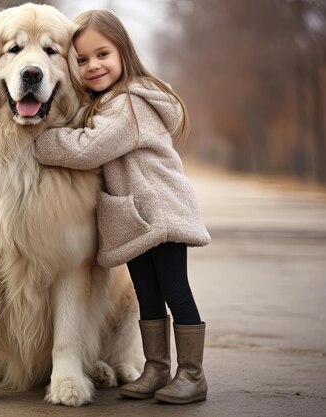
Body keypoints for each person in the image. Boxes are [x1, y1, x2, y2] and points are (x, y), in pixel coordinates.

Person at [34, 9, 211, 405]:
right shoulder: (105, 104)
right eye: (81, 60)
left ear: (124, 53)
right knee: (147, 293)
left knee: (175, 291)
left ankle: (193, 374)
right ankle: (157, 368)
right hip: (133, 218)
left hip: (160, 213)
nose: (93, 66)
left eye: (103, 54)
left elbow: (89, 148)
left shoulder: (130, 104)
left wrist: (39, 143)